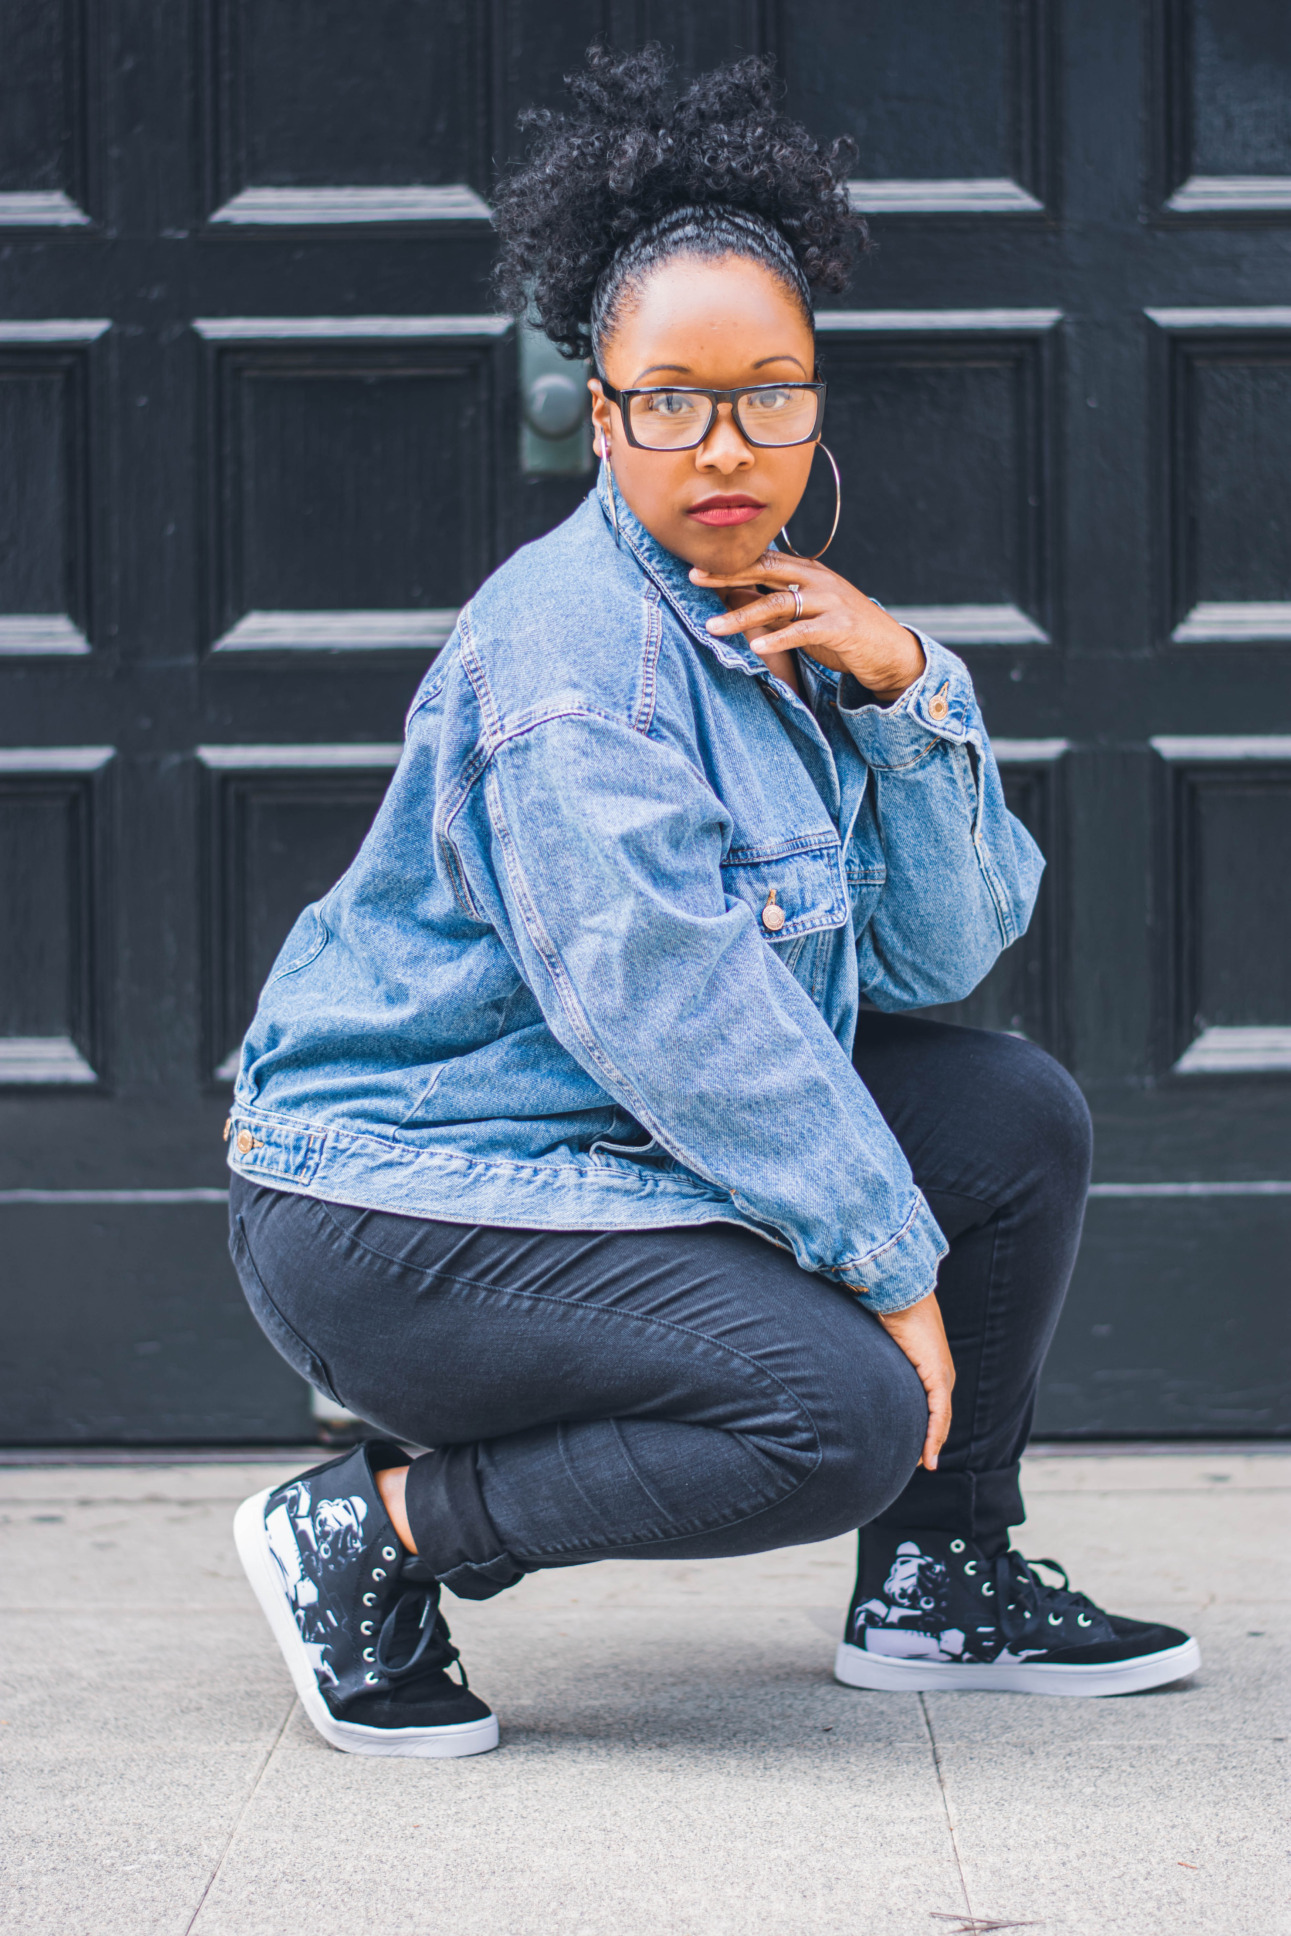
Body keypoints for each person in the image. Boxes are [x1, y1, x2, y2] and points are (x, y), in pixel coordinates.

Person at [225, 49, 1198, 1759]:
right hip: (396, 1200)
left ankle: (940, 1583)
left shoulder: (781, 617)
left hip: (591, 1143)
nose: (725, 444)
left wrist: (907, 691)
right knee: (839, 1415)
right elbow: (675, 1013)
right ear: (602, 416)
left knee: (1009, 1115)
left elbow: (934, 956)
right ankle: (374, 1536)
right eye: (671, 400)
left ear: (817, 399)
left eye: (770, 394)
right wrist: (894, 1270)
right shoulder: (577, 656)